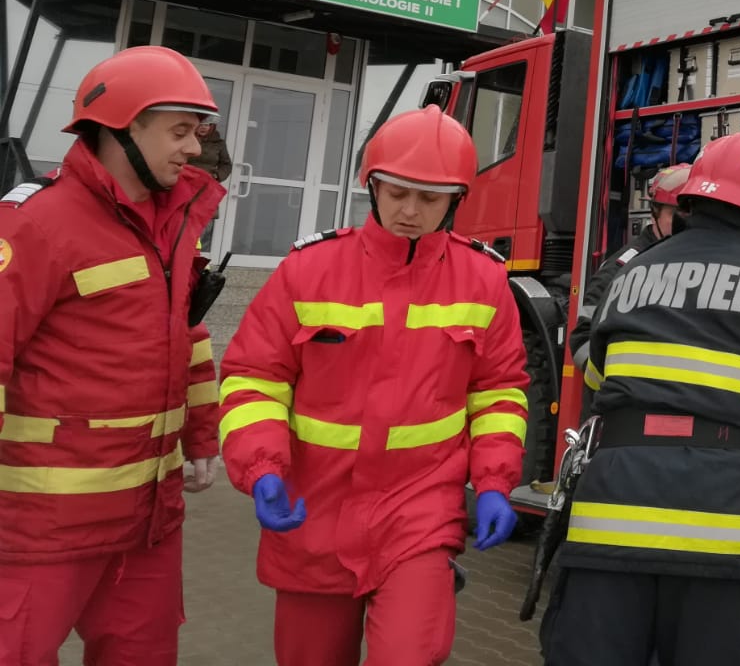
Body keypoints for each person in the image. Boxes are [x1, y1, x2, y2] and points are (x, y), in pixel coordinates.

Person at [218, 105, 530, 666]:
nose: (410, 211)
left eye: (430, 199)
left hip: (420, 512)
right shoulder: (308, 270)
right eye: (397, 192)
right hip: (313, 509)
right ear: (373, 186)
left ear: (455, 199)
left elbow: (499, 392)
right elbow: (256, 378)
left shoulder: (484, 280)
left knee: (410, 654)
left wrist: (494, 481)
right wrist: (262, 466)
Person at [541, 132, 740, 666]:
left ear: (689, 202)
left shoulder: (629, 276)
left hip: (611, 524)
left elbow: (598, 385)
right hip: (727, 534)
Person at [0, 45, 225, 665]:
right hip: (44, 523)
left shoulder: (173, 223)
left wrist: (203, 438)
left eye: (198, 133)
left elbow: (189, 338)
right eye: (179, 132)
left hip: (149, 519)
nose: (192, 149)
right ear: (121, 128)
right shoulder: (37, 225)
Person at [570, 162, 693, 373]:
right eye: (676, 216)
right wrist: (613, 387)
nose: (685, 225)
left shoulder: (698, 265)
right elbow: (582, 339)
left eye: (692, 217)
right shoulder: (621, 269)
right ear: (654, 212)